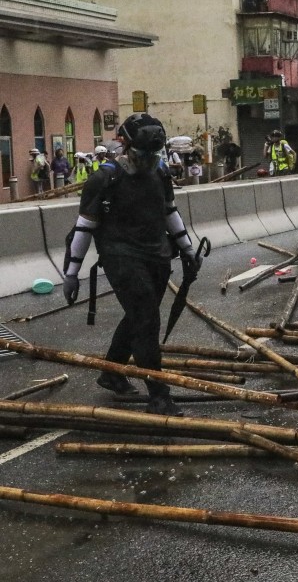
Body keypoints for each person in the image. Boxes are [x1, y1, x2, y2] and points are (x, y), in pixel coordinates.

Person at [62, 112, 202, 417]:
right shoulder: (105, 178)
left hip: (158, 254)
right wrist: (71, 273)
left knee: (140, 314)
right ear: (126, 146)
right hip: (121, 256)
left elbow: (169, 211)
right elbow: (84, 227)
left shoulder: (161, 172)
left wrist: (188, 249)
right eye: (144, 152)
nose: (149, 158)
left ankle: (111, 371)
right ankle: (159, 394)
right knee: (147, 319)